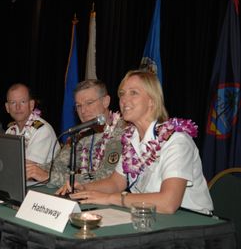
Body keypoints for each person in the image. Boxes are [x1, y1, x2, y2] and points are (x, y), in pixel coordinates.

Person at [57, 70, 213, 215]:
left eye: (134, 93)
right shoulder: (130, 139)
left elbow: (168, 203)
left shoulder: (176, 140)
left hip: (191, 222)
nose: (124, 99)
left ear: (152, 101)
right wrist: (83, 188)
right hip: (147, 214)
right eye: (122, 94)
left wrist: (110, 198)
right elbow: (116, 182)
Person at [48, 79, 125, 187]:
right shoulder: (82, 134)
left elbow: (104, 177)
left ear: (105, 101)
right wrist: (33, 169)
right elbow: (58, 165)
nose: (83, 111)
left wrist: (49, 177)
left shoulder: (122, 131)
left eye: (89, 103)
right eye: (79, 106)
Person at [5, 83, 59, 181]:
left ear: (31, 104)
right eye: (13, 102)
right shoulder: (10, 131)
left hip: (44, 189)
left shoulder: (42, 130)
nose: (18, 107)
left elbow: (27, 171)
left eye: (22, 101)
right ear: (7, 107)